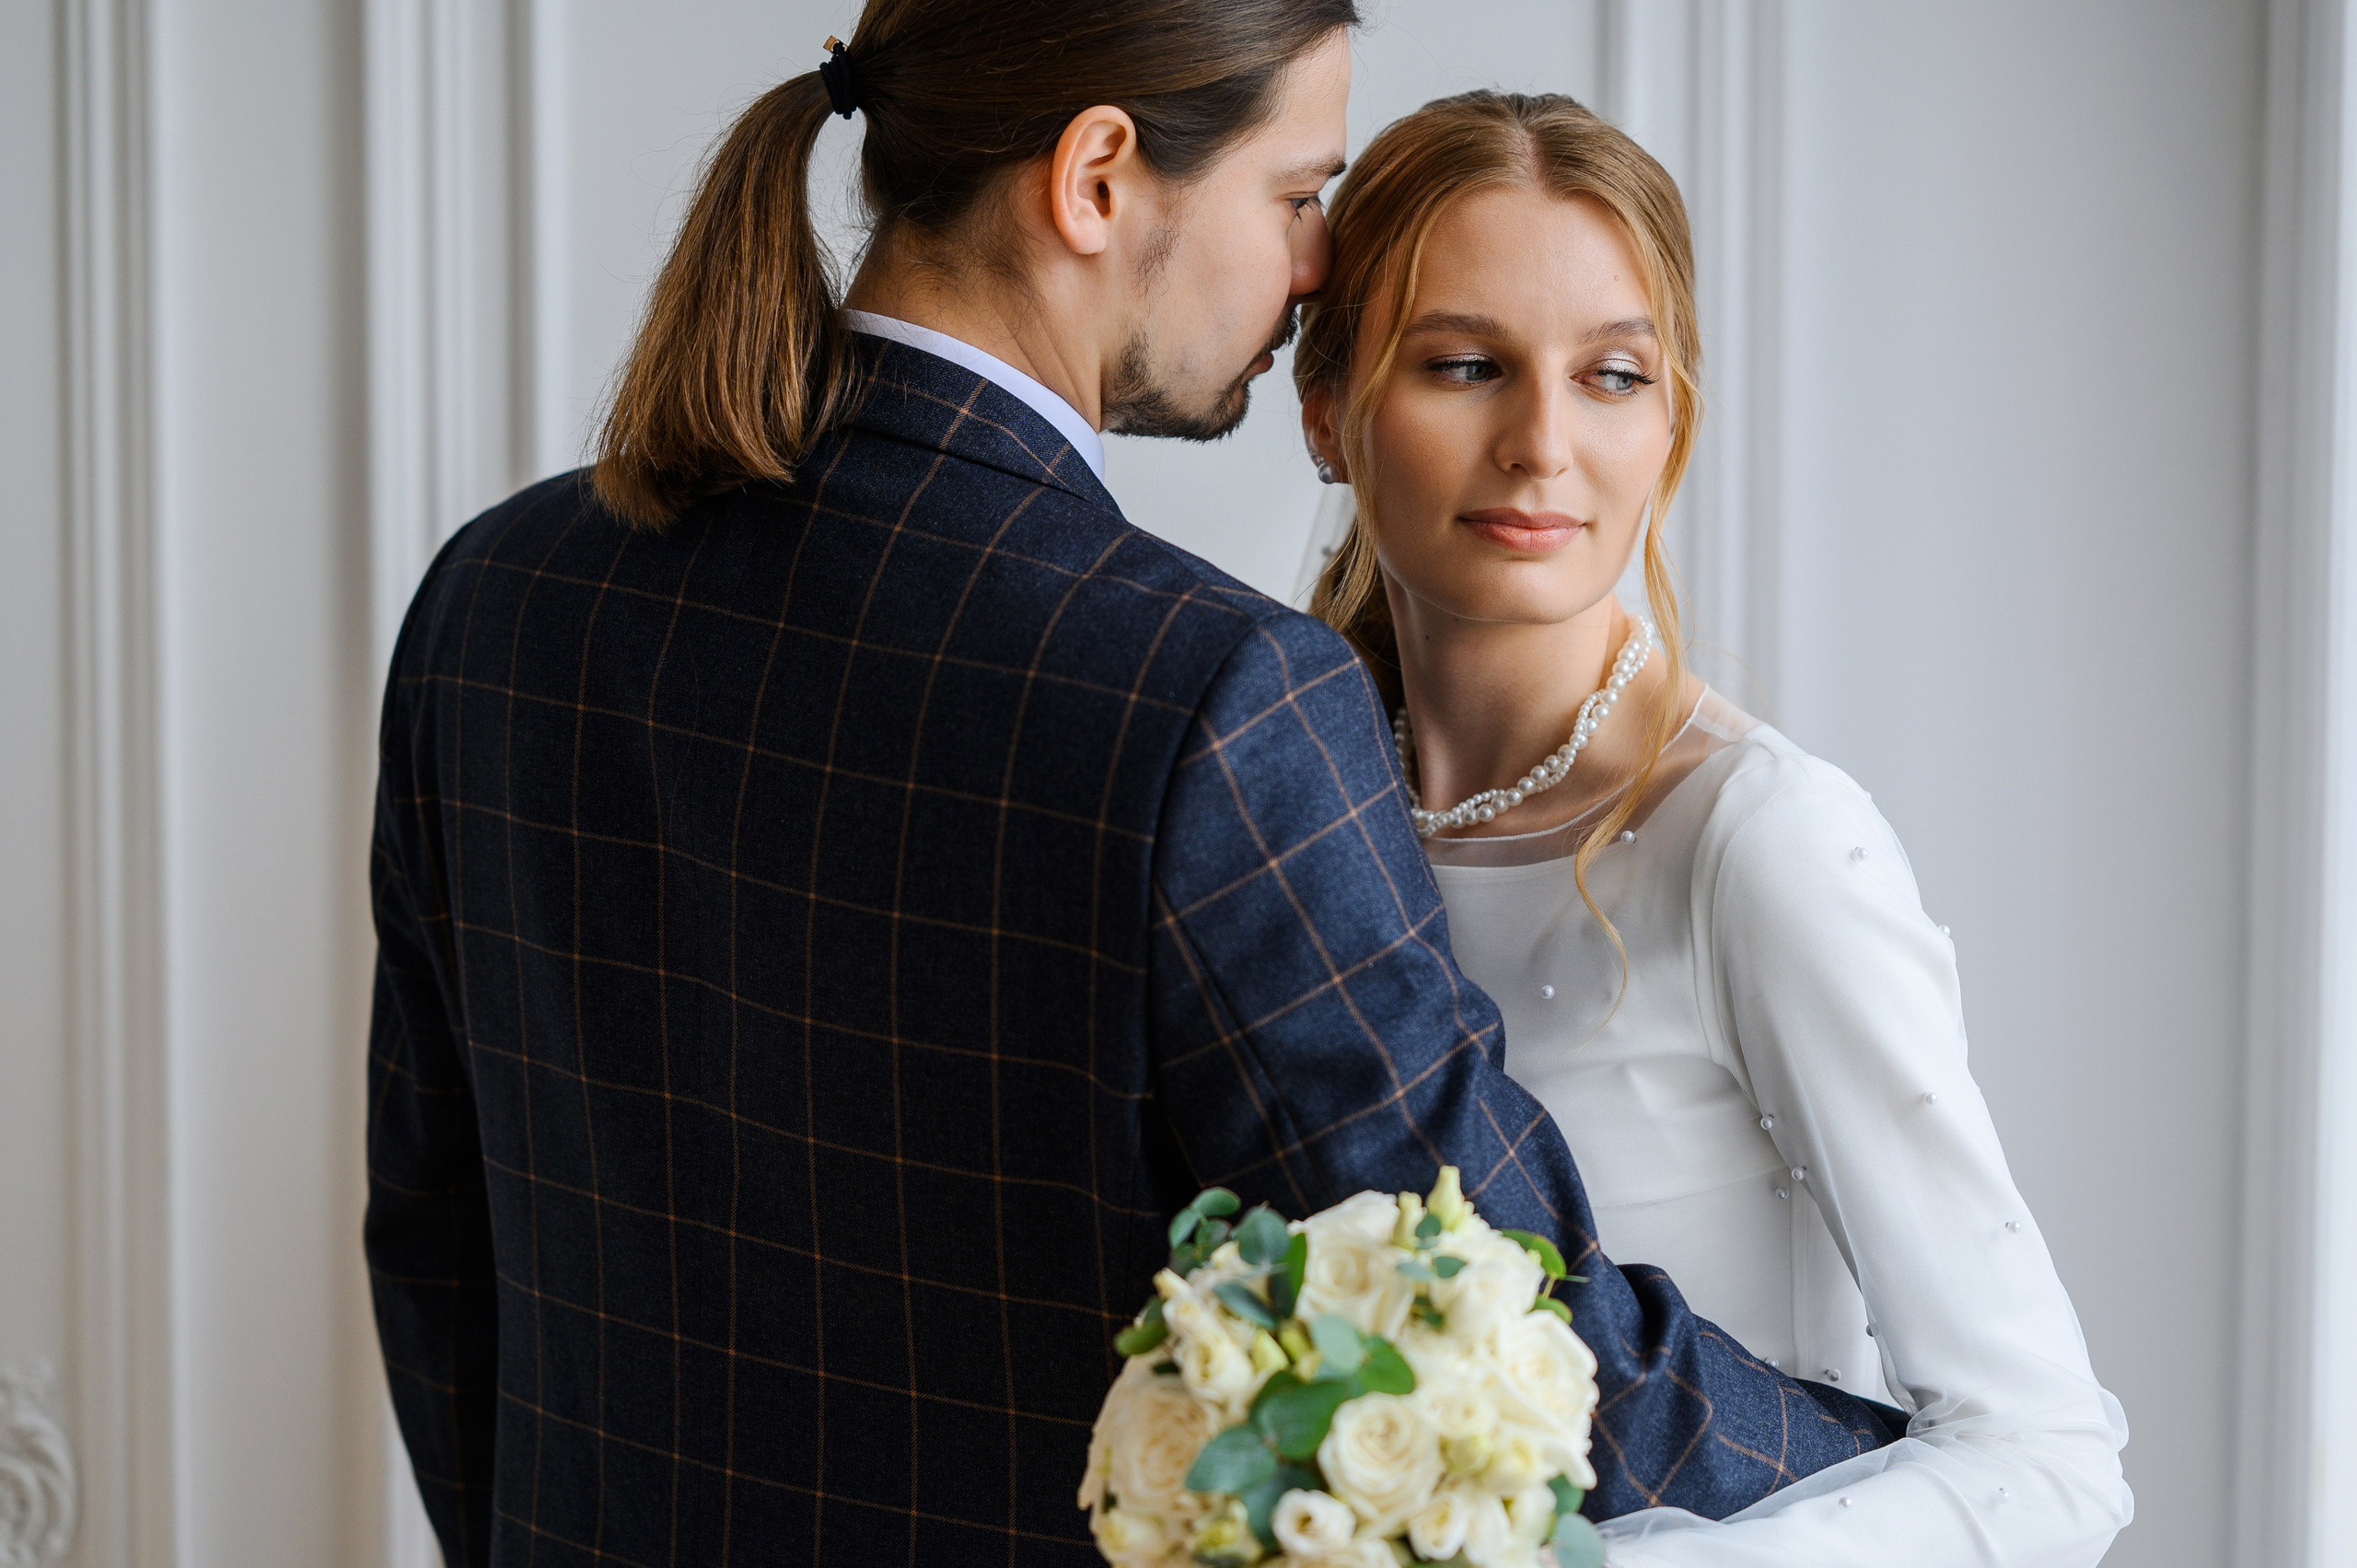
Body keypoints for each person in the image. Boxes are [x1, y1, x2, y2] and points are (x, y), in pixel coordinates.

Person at [362, 6, 1903, 1563]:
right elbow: (1494, 1310)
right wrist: (1892, 1460)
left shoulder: (498, 597)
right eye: (1298, 195)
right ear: (1097, 177)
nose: (1313, 271)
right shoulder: (1212, 696)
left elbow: (435, 1244)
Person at [1296, 91, 2134, 1565]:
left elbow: (2051, 1458)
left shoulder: (1762, 842)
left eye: (1611, 375)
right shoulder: (1286, 818)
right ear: (1325, 409)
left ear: (1670, 415)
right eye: (1467, 365)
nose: (1541, 443)